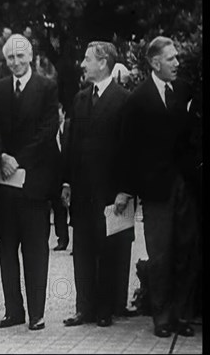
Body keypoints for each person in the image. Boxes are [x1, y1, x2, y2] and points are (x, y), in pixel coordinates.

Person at [119, 36, 198, 338]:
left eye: (177, 57)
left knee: (186, 250)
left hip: (184, 185)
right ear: (155, 62)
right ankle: (162, 317)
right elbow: (127, 148)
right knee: (161, 254)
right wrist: (126, 189)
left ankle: (179, 314)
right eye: (171, 58)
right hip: (156, 190)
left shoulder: (183, 91)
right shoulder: (138, 99)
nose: (177, 63)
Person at [0, 34, 59, 332]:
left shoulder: (46, 87)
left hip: (33, 182)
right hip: (4, 182)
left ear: (30, 56)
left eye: (20, 57)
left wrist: (19, 159)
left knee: (35, 250)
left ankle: (37, 313)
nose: (15, 63)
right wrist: (2, 157)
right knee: (7, 250)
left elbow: (47, 129)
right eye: (10, 58)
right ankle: (13, 310)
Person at [61, 42, 132, 329]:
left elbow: (130, 148)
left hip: (110, 191)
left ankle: (105, 308)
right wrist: (66, 182)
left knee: (108, 250)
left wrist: (125, 189)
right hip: (82, 189)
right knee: (83, 250)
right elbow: (71, 143)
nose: (82, 64)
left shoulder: (124, 99)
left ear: (103, 63)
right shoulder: (79, 99)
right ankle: (84, 307)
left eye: (88, 59)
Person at [51, 103, 69, 251]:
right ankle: (62, 239)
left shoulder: (71, 127)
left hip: (71, 173)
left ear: (63, 112)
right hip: (56, 175)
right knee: (58, 208)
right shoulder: (50, 131)